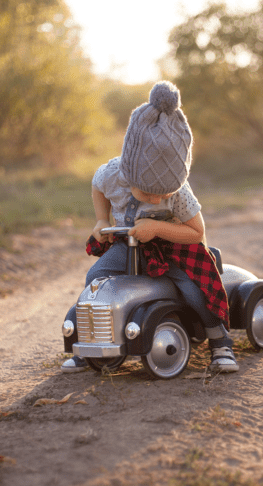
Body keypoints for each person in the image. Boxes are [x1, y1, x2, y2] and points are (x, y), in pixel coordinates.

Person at [61, 81, 238, 374]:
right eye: (147, 193)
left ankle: (219, 341)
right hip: (126, 245)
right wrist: (102, 219)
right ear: (128, 172)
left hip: (173, 250)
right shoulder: (112, 174)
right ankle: (91, 343)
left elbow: (197, 233)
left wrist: (157, 230)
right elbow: (97, 187)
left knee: (194, 291)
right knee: (96, 277)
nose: (157, 199)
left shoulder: (179, 193)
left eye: (164, 194)